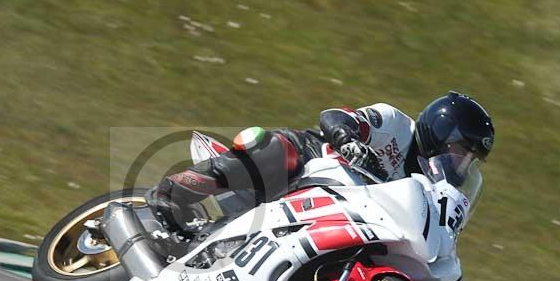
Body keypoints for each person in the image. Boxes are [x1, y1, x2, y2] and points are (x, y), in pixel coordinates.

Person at [148, 91, 495, 229]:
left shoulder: (431, 191)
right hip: (309, 165)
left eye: (469, 159)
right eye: (461, 151)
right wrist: (347, 139)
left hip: (337, 215)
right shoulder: (396, 125)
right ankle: (171, 192)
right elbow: (335, 117)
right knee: (278, 152)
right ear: (440, 132)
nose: (462, 164)